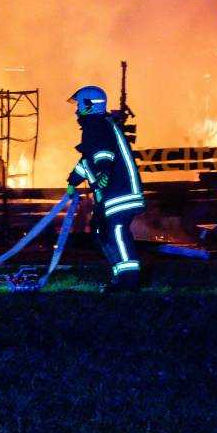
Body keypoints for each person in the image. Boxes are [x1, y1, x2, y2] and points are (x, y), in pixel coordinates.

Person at [66, 85, 144, 291]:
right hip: (113, 193)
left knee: (116, 231)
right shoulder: (98, 126)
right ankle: (119, 276)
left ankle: (129, 280)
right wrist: (72, 182)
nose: (76, 110)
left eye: (79, 105)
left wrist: (104, 173)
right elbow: (87, 162)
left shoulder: (97, 126)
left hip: (120, 193)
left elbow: (103, 154)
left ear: (89, 105)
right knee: (102, 231)